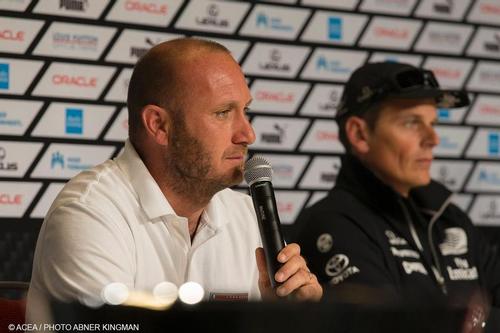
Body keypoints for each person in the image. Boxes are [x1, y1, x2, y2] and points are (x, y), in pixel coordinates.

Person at [27, 38, 322, 324]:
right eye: (222, 113)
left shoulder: (247, 216)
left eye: (245, 111)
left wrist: (287, 320)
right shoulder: (89, 214)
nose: (248, 135)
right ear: (159, 125)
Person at [292, 62, 500, 312]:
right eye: (412, 123)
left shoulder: (450, 218)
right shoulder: (332, 223)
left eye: (432, 123)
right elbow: (389, 326)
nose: (433, 139)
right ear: (359, 135)